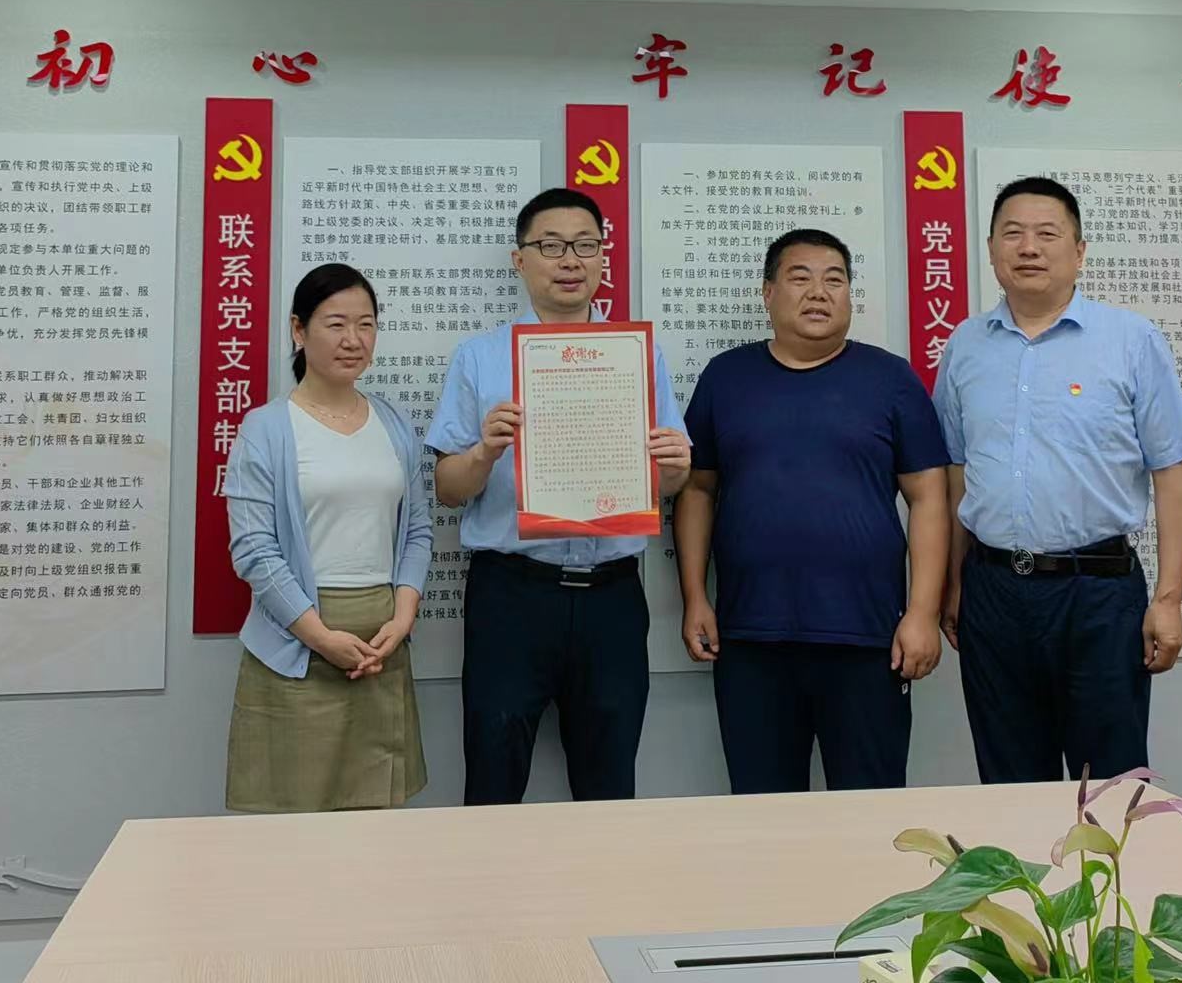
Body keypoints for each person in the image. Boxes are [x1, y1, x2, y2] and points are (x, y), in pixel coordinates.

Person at [933, 177, 1182, 783]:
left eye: (1047, 234)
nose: (1029, 247)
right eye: (1012, 234)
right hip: (993, 590)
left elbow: (1173, 471)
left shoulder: (1130, 340)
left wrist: (1168, 600)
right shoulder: (966, 346)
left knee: (1107, 784)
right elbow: (956, 474)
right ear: (991, 249)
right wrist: (953, 584)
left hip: (1098, 593)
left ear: (1079, 252)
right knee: (1008, 781)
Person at [427, 187, 691, 805]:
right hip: (511, 595)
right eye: (551, 246)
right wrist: (485, 452)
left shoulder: (636, 354)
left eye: (585, 245)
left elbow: (666, 483)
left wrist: (675, 469)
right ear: (520, 260)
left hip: (612, 598)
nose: (570, 260)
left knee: (608, 788)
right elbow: (447, 489)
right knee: (493, 781)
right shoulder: (480, 357)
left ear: (603, 257)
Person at [674, 229, 950, 794]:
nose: (819, 292)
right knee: (762, 810)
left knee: (872, 806)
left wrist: (922, 613)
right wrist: (695, 596)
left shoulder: (891, 379)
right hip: (750, 638)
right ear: (768, 293)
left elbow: (930, 498)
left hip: (868, 638)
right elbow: (697, 491)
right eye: (800, 278)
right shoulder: (726, 377)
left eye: (835, 280)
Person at [224, 263, 432, 812]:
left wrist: (403, 617)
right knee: (294, 823)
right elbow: (254, 551)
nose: (353, 340)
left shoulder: (394, 424)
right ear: (299, 330)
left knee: (377, 817)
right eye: (335, 324)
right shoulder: (266, 428)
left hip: (382, 644)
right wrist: (320, 637)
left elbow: (417, 529)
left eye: (366, 325)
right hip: (299, 643)